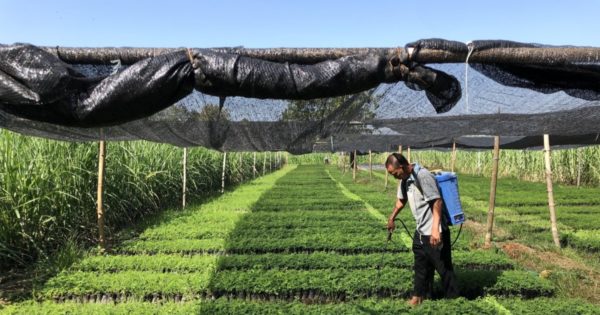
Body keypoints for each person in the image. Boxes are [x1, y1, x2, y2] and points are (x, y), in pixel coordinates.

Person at [385, 153, 459, 305]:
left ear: (402, 167)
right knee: (420, 266)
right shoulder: (405, 179)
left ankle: (455, 300)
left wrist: (435, 230)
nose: (394, 177)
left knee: (443, 268)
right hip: (420, 232)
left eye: (394, 173)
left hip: (434, 231)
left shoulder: (423, 176)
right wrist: (392, 217)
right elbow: (401, 201)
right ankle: (419, 296)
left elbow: (437, 202)